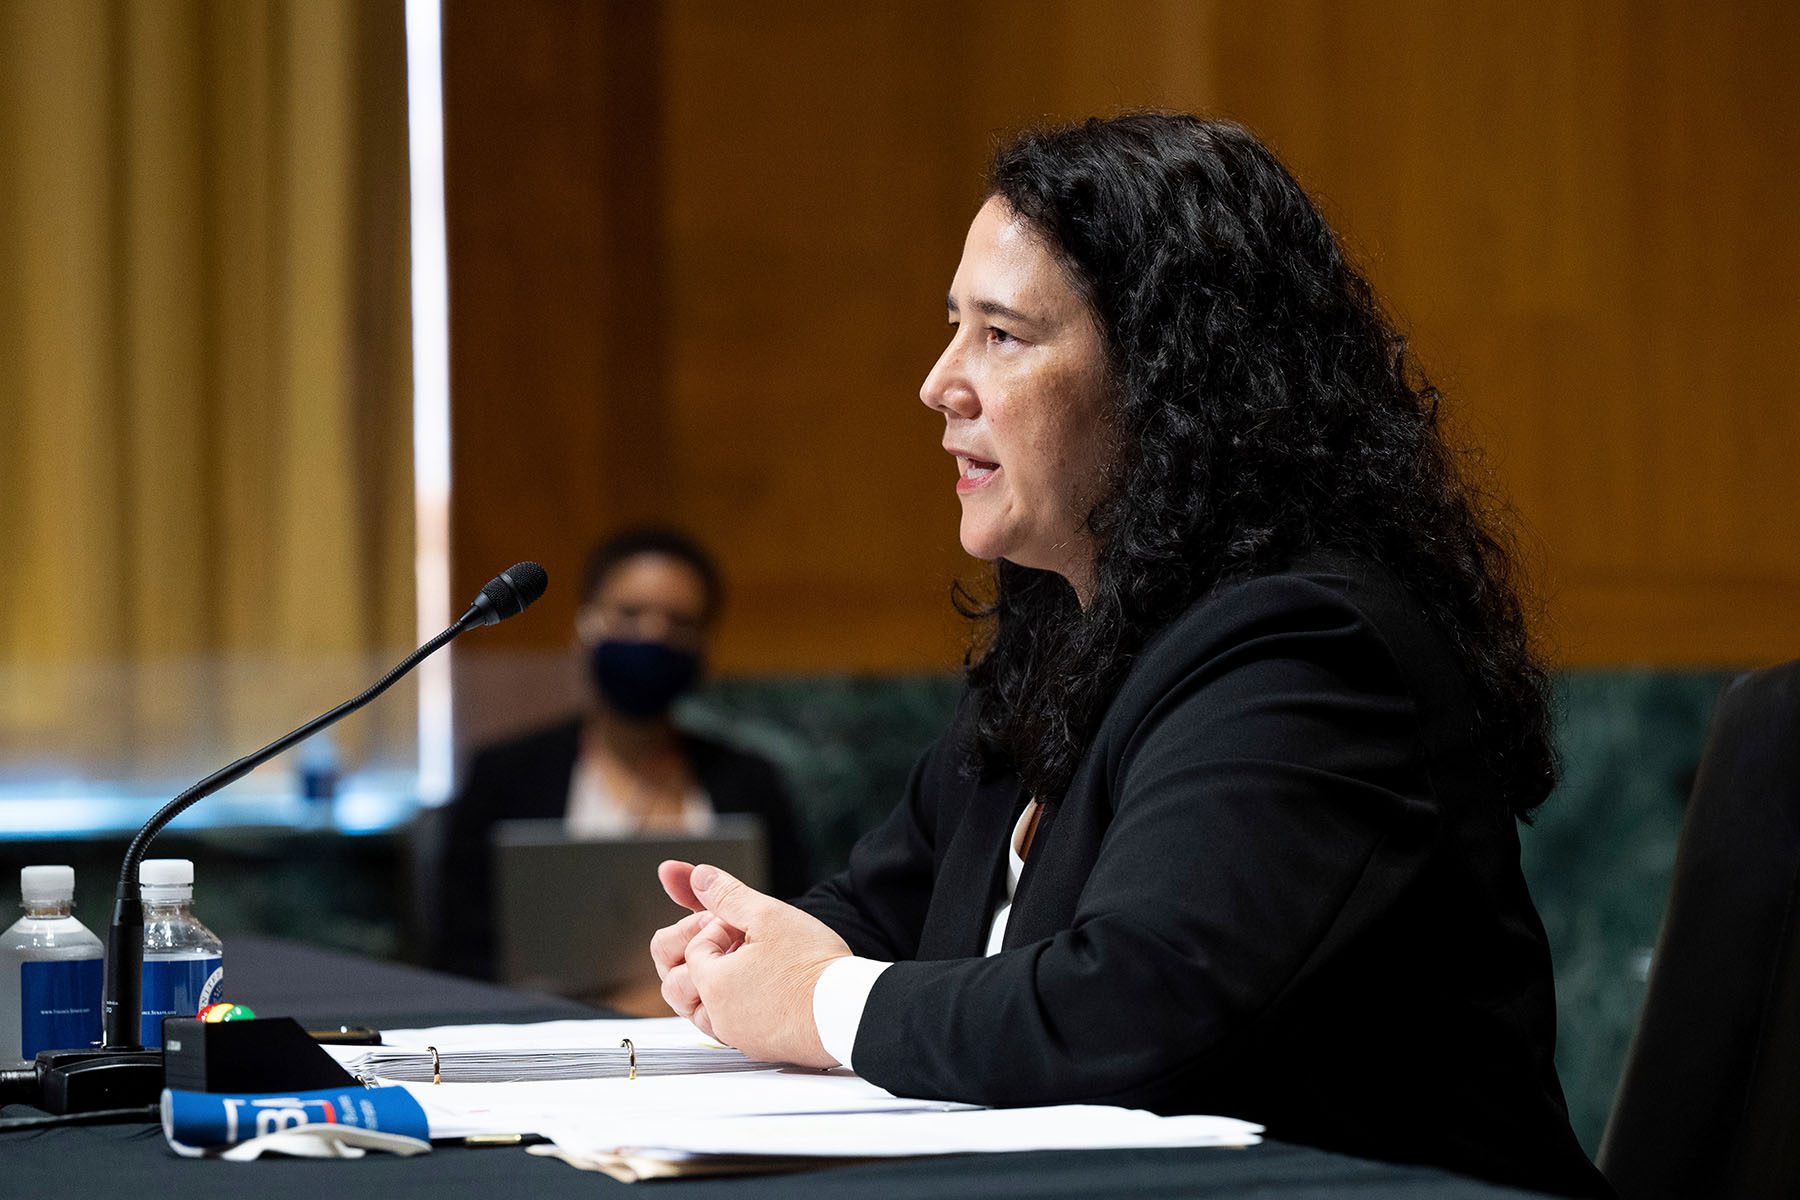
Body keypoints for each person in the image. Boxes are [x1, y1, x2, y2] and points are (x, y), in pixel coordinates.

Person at [648, 115, 1610, 1198]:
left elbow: (1137, 1003)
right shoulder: (1069, 628)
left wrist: (819, 1001)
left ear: (1168, 384)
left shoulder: (1302, 651)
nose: (939, 381)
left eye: (1001, 336)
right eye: (951, 326)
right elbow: (877, 912)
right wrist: (747, 955)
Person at [436, 527, 810, 990]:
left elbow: (793, 929)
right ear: (585, 625)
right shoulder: (505, 777)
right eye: (630, 613)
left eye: (679, 621)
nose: (653, 634)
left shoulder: (752, 782)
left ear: (704, 645)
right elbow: (460, 949)